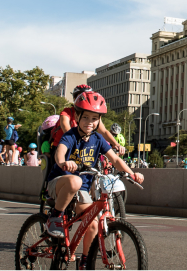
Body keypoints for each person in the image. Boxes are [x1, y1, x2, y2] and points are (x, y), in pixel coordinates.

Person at [44, 90, 144, 269]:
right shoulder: (71, 135)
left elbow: (115, 159)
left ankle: (85, 261)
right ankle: (55, 216)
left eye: (94, 119)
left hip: (80, 191)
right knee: (75, 181)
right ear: (77, 116)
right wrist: (64, 162)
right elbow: (60, 152)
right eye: (86, 118)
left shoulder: (98, 139)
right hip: (60, 183)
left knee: (93, 223)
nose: (90, 123)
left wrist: (132, 173)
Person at [51, 85, 126, 156]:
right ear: (74, 99)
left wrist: (116, 144)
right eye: (80, 97)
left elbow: (103, 131)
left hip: (83, 148)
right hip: (63, 147)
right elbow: (66, 128)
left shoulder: (93, 115)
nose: (83, 100)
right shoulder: (67, 112)